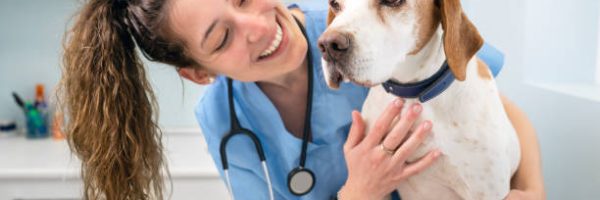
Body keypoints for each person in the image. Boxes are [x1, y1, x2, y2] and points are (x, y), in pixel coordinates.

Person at [59, 0, 545, 199]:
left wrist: (534, 192)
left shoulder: (342, 21)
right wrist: (360, 190)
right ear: (198, 73)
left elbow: (498, 110)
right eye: (221, 37)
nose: (257, 26)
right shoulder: (225, 123)